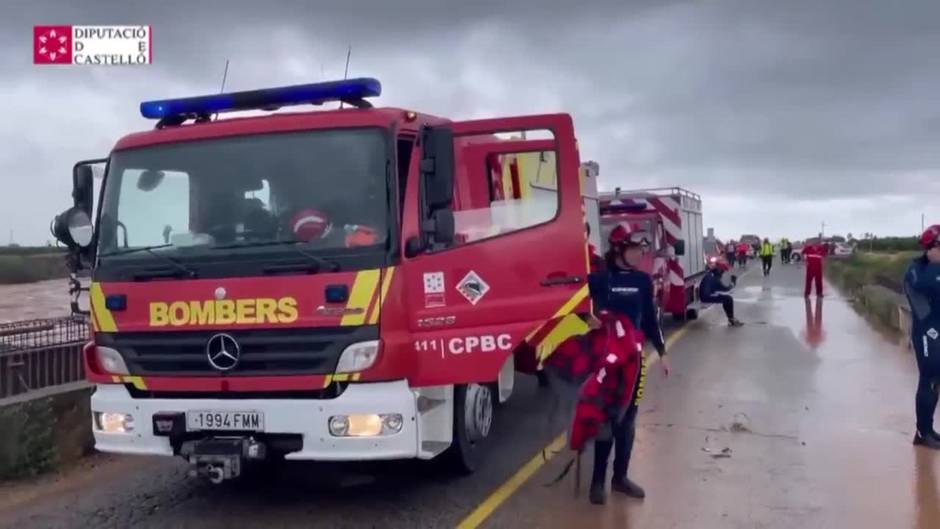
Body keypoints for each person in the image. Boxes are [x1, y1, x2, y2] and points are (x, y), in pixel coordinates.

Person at [585, 222, 670, 505]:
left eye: (641, 249)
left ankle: (619, 478)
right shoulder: (599, 278)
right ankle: (597, 482)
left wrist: (662, 350)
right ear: (619, 248)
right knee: (607, 419)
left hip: (635, 361)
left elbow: (649, 319)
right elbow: (570, 304)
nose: (639, 253)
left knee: (628, 420)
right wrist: (586, 319)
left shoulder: (643, 281)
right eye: (634, 248)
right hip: (607, 360)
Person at [903, 225, 940, 449]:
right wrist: (936, 264)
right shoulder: (917, 270)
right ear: (931, 248)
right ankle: (921, 432)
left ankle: (928, 429)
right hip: (926, 330)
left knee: (936, 382)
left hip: (937, 329)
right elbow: (925, 286)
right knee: (928, 379)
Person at [699, 259, 744, 327]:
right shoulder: (714, 277)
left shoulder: (711, 275)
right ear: (719, 269)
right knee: (728, 299)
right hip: (706, 296)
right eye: (723, 271)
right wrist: (733, 283)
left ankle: (731, 319)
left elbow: (720, 287)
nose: (723, 273)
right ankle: (731, 319)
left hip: (707, 294)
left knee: (726, 299)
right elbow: (724, 288)